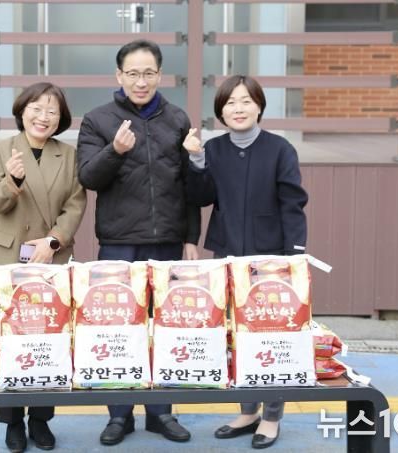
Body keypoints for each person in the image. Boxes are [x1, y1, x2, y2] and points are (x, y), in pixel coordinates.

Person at [76, 39, 200, 446]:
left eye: (148, 73)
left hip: (167, 241)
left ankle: (161, 413)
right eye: (133, 73)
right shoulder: (98, 120)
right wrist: (115, 151)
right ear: (119, 75)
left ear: (160, 75)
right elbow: (88, 177)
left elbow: (188, 186)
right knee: (119, 327)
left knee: (166, 327)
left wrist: (191, 238)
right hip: (119, 242)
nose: (141, 81)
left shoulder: (177, 119)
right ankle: (119, 415)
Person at [183, 75, 308, 449]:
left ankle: (271, 416)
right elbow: (200, 197)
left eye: (246, 101)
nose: (238, 109)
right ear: (220, 111)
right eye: (230, 103)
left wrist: (295, 256)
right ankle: (248, 411)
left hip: (272, 257)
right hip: (227, 254)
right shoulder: (214, 149)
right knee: (236, 334)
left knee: (270, 333)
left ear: (259, 106)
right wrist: (196, 160)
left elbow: (293, 204)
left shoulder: (280, 149)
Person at [0, 82, 87, 452]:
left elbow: (75, 204)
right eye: (37, 109)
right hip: (7, 262)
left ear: (61, 119)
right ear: (22, 111)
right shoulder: (0, 150)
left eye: (52, 111)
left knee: (49, 340)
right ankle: (12, 421)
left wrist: (53, 241)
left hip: (51, 260)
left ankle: (40, 420)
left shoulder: (68, 155)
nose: (44, 117)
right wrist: (12, 181)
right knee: (10, 341)